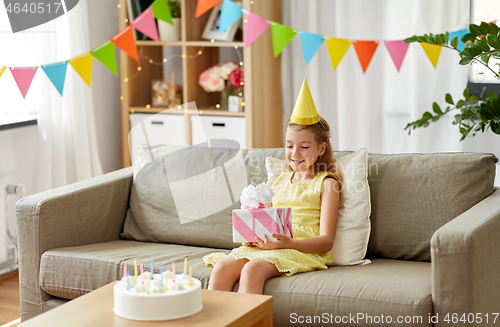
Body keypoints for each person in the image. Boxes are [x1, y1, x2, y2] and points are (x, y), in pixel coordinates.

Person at [203, 79, 342, 294]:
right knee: (222, 268)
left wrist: (287, 243)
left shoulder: (326, 184)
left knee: (253, 269)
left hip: (299, 248)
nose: (295, 153)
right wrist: (252, 237)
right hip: (270, 246)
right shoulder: (276, 181)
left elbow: (326, 241)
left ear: (321, 149)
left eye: (304, 147)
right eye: (289, 146)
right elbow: (262, 220)